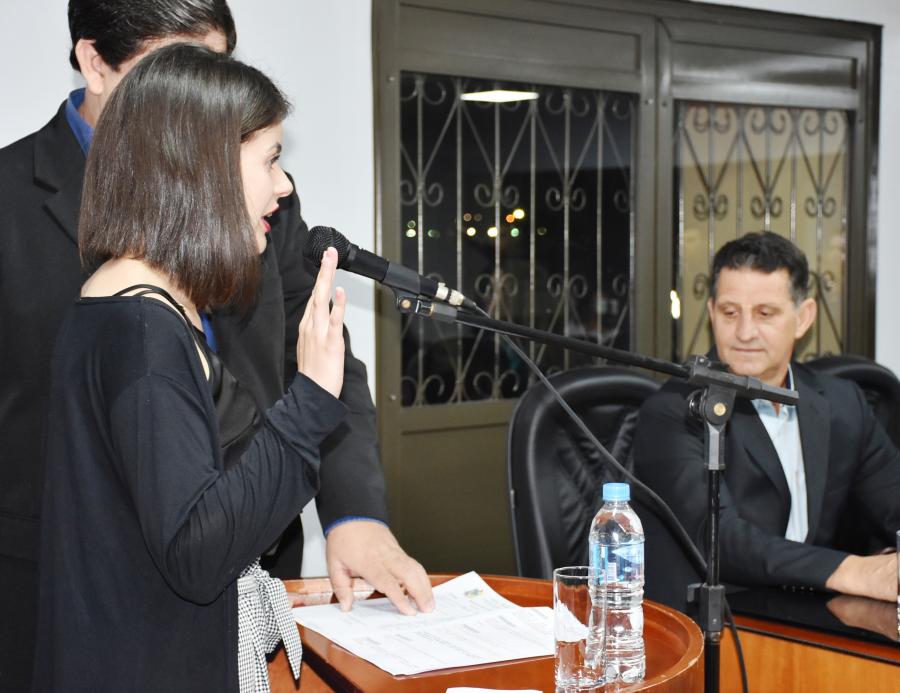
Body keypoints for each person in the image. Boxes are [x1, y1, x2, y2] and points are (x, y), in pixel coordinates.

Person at [0, 1, 431, 688]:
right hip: (104, 612)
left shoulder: (180, 257)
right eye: (182, 69)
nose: (209, 91)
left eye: (218, 65)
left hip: (223, 586)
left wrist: (353, 512)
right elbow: (189, 533)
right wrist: (306, 409)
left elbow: (321, 354)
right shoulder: (133, 313)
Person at [34, 42, 347, 693]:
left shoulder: (119, 303)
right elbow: (198, 555)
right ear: (204, 167)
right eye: (271, 160)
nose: (284, 186)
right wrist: (311, 396)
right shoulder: (144, 331)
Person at [634, 231, 900, 603]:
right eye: (730, 313)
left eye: (764, 313)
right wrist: (855, 570)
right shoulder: (676, 410)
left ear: (804, 318)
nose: (744, 333)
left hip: (811, 612)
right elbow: (722, 541)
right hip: (716, 618)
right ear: (711, 313)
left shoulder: (844, 403)